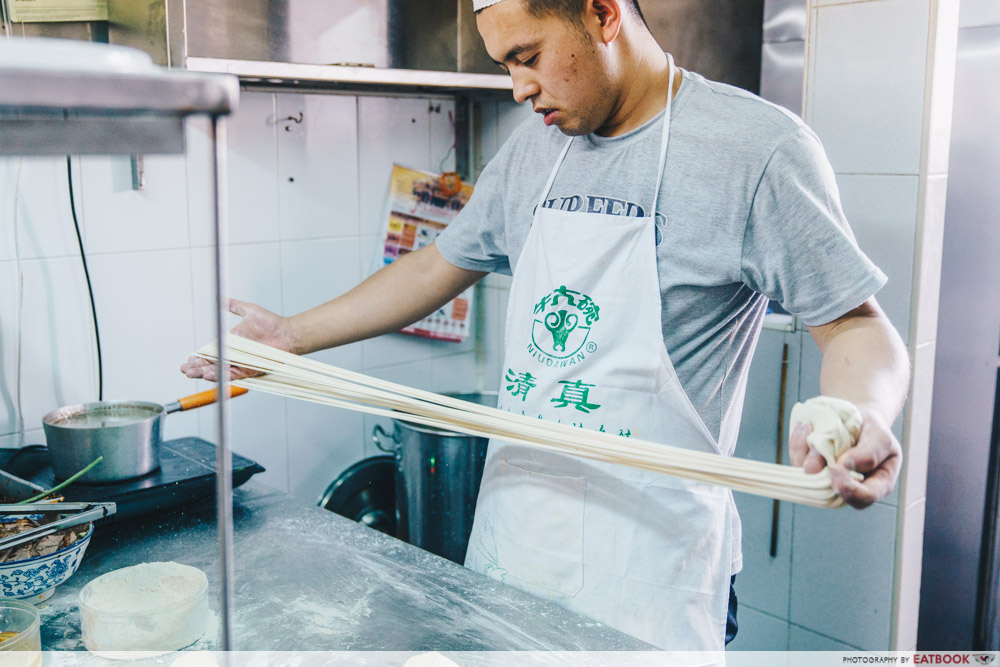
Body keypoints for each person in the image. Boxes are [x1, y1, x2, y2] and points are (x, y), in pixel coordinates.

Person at [182, 0, 910, 651]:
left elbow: (856, 327)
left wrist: (857, 412)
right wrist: (293, 336)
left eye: (527, 58)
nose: (518, 88)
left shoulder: (755, 150)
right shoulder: (536, 148)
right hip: (517, 547)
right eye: (504, 65)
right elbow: (437, 266)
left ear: (602, 15)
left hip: (649, 571)